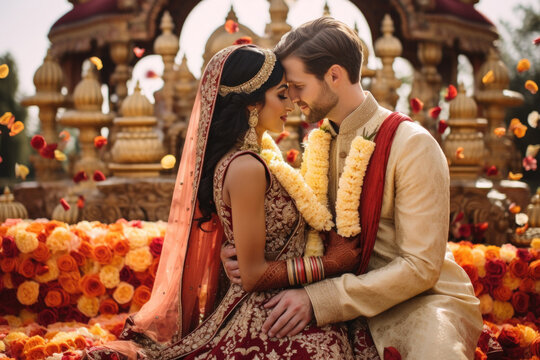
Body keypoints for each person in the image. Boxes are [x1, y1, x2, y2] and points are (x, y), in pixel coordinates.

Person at [222, 18, 483, 359]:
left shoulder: (412, 145)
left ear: (334, 75)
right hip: (328, 293)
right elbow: (302, 227)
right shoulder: (319, 142)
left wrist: (321, 300)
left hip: (420, 301)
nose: (291, 100)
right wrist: (240, 257)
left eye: (298, 86)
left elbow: (421, 267)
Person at [85, 44, 366, 360]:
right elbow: (253, 274)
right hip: (262, 314)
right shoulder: (246, 167)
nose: (291, 104)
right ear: (251, 105)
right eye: (281, 95)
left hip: (280, 301)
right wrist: (331, 263)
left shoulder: (249, 160)